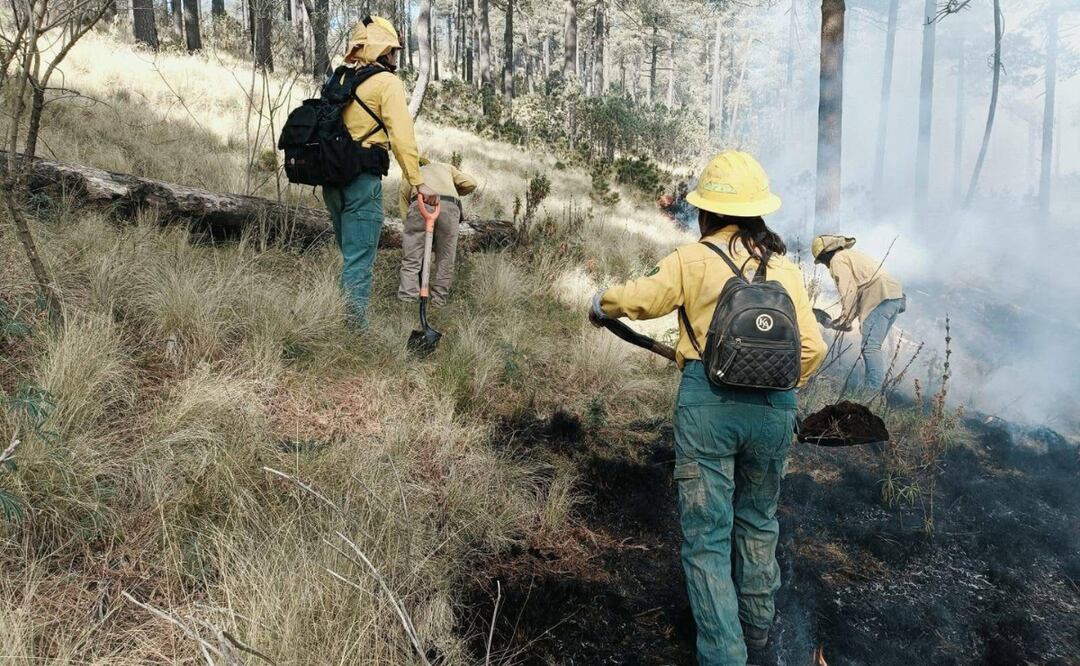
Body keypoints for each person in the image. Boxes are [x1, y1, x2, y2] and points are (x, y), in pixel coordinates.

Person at [589, 151, 827, 665]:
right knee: (760, 521)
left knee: (707, 537)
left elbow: (639, 300)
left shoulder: (690, 259)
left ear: (706, 212)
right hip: (774, 411)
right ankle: (759, 635)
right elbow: (814, 349)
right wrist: (783, 393)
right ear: (757, 211)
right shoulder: (784, 269)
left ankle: (724, 654)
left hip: (708, 407)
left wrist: (602, 302)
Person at [325, 16, 438, 327]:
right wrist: (418, 183)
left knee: (351, 257)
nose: (395, 57)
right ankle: (353, 333)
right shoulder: (386, 82)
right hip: (362, 181)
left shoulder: (343, 80)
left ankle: (339, 318)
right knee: (359, 261)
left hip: (332, 182)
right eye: (394, 51)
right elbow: (402, 137)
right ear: (383, 50)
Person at [811, 235, 905, 391]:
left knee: (870, 348)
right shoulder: (851, 255)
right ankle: (875, 390)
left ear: (826, 254)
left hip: (879, 296)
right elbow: (858, 290)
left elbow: (849, 291)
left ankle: (871, 394)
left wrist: (845, 319)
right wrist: (846, 319)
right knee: (874, 346)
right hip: (893, 296)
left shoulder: (837, 260)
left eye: (822, 260)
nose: (824, 265)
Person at [397, 157, 477, 306]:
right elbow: (472, 183)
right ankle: (438, 301)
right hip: (449, 205)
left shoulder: (408, 178)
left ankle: (407, 299)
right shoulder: (445, 167)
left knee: (412, 257)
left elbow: (404, 217)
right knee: (446, 257)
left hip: (419, 203)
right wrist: (453, 191)